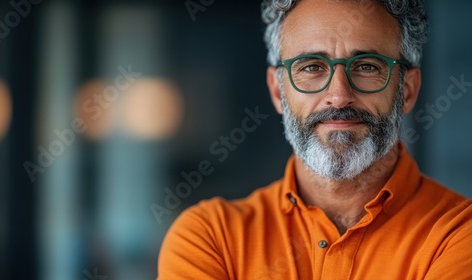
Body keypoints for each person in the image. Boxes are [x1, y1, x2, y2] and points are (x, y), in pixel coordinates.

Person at [157, 0, 472, 279]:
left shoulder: (459, 234)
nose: (338, 96)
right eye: (311, 67)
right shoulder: (210, 237)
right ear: (278, 90)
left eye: (366, 67)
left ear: (408, 90)